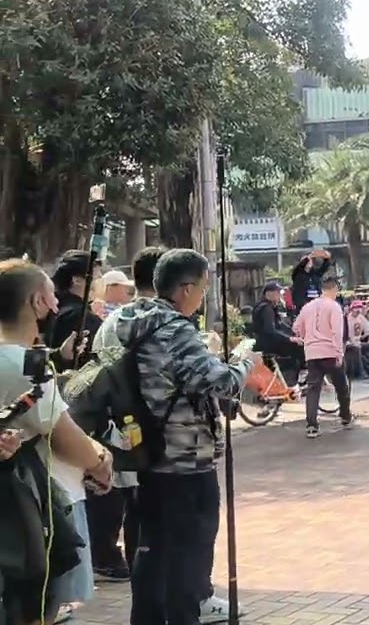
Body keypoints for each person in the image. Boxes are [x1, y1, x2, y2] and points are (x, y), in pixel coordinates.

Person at [105, 249, 257, 625]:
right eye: (203, 289)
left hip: (146, 457)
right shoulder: (174, 328)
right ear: (185, 289)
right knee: (188, 561)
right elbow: (218, 382)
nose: (203, 297)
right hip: (186, 462)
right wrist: (242, 363)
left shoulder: (126, 322)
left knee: (150, 553)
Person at [0, 258, 114, 625]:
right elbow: (64, 437)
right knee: (43, 608)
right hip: (42, 505)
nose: (56, 305)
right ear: (36, 303)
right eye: (51, 296)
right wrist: (100, 461)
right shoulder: (23, 366)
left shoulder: (19, 359)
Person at [86, 247, 164, 586]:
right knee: (142, 505)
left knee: (130, 499)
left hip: (114, 425)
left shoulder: (113, 321)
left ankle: (136, 568)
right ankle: (142, 570)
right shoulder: (160, 320)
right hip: (144, 429)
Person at [293, 277, 355, 439]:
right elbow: (337, 331)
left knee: (313, 388)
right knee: (341, 386)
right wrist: (339, 352)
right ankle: (345, 417)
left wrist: (306, 337)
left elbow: (296, 327)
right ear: (334, 289)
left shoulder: (307, 307)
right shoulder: (334, 307)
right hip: (330, 351)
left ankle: (312, 425)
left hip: (312, 352)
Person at [44, 249, 103, 372]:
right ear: (77, 280)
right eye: (96, 278)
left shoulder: (46, 308)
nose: (99, 284)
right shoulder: (83, 317)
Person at [250, 283, 304, 384]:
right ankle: (300, 376)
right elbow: (270, 330)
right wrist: (290, 339)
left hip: (267, 342)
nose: (280, 296)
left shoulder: (268, 307)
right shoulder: (266, 309)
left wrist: (293, 332)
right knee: (299, 347)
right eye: (278, 293)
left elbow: (280, 325)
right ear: (269, 294)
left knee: (297, 343)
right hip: (268, 345)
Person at [288, 249, 331, 316]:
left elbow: (325, 267)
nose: (308, 262)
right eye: (306, 261)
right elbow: (299, 267)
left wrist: (327, 258)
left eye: (310, 261)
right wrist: (309, 257)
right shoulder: (298, 275)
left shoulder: (315, 274)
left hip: (316, 305)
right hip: (303, 306)